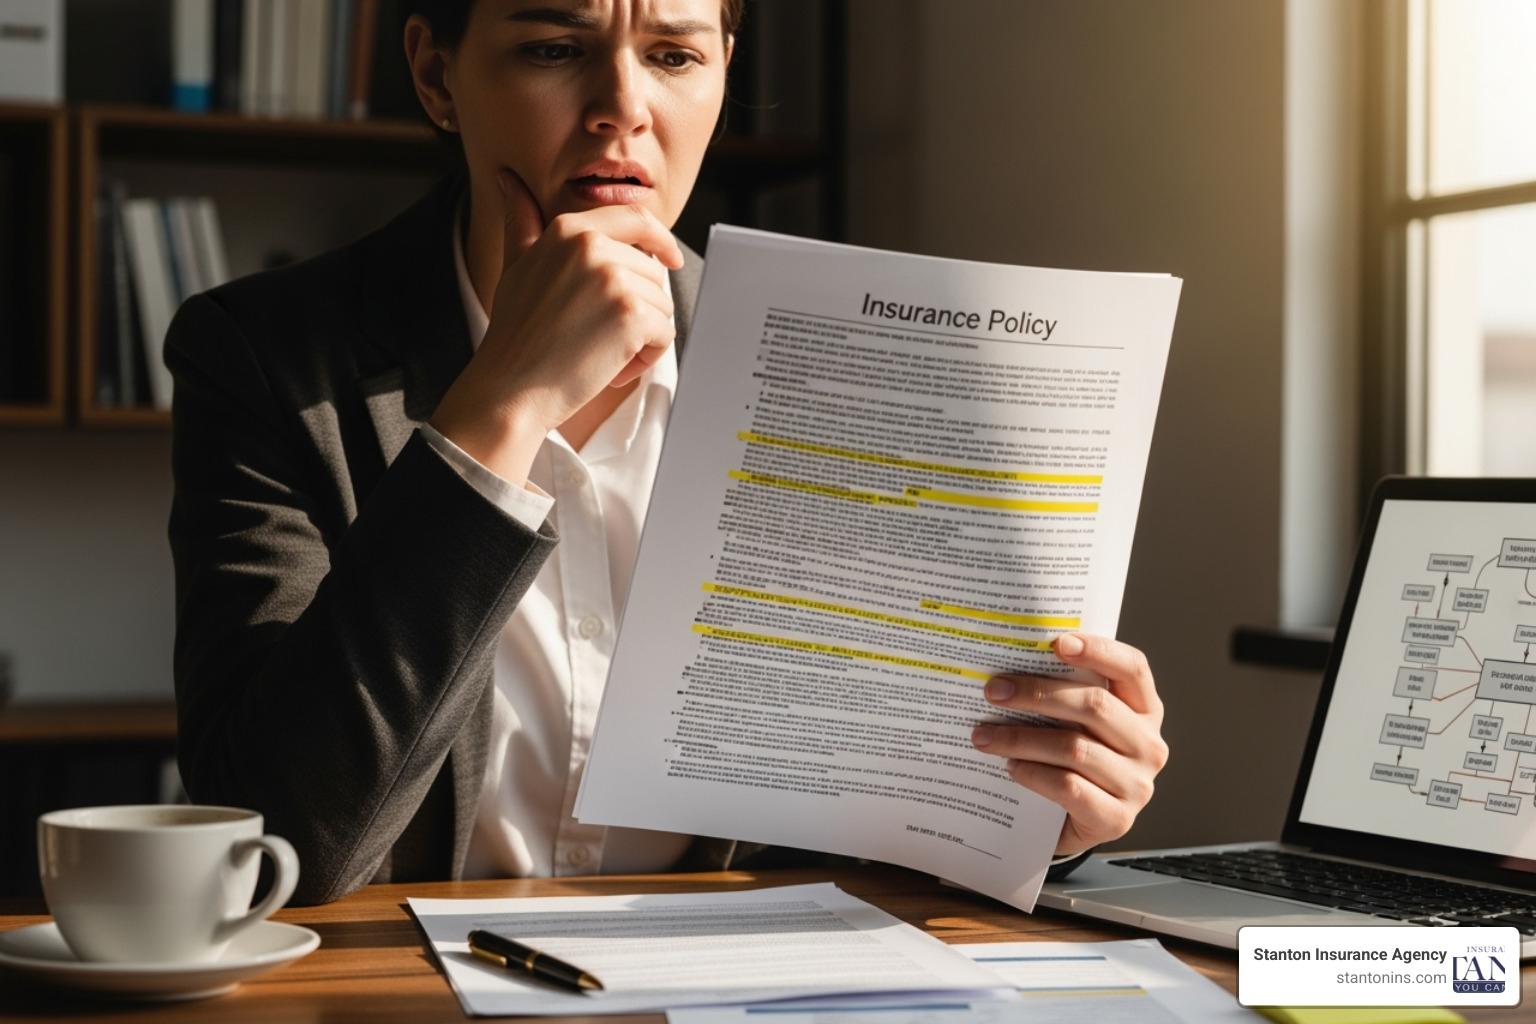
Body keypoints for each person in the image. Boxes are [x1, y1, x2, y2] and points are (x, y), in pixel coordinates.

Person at [167, 0, 1169, 906]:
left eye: (675, 54)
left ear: (725, 70)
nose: (621, 107)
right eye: (555, 48)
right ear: (435, 74)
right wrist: (500, 406)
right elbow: (274, 846)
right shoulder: (261, 358)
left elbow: (873, 821)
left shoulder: (836, 368)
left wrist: (1042, 807)